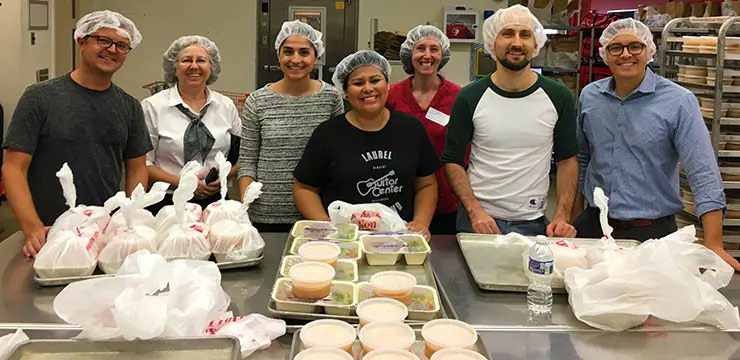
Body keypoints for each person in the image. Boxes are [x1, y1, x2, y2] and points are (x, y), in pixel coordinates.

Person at [573, 18, 740, 270]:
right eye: (615, 48)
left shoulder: (678, 101)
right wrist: (574, 217)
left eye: (635, 47)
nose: (625, 54)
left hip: (652, 234)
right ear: (604, 55)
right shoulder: (590, 96)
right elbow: (583, 159)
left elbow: (702, 170)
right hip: (594, 228)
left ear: (649, 51)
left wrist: (714, 242)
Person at [2, 10, 151, 257]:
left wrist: (127, 220)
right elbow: (13, 168)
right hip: (48, 234)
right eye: (103, 40)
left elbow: (137, 167)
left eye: (122, 45)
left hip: (103, 235)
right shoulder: (40, 97)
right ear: (81, 41)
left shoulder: (129, 106)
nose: (112, 50)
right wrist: (33, 228)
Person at [442, 5, 578, 237]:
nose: (516, 43)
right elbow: (452, 160)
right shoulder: (470, 97)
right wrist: (475, 211)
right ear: (491, 43)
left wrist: (562, 215)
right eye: (507, 34)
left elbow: (567, 160)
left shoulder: (558, 97)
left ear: (536, 44)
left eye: (525, 35)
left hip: (533, 222)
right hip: (479, 221)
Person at [293, 50, 440, 239]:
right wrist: (327, 227)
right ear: (345, 92)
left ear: (387, 85)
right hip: (346, 240)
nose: (368, 88)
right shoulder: (328, 134)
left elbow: (426, 184)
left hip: (399, 237)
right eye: (358, 83)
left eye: (375, 80)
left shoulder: (411, 129)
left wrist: (420, 222)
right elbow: (304, 188)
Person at [239, 20, 344, 232]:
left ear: (316, 57)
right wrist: (245, 208)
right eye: (288, 52)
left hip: (318, 214)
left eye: (304, 52)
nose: (295, 59)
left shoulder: (331, 97)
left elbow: (337, 157)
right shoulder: (258, 101)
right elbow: (248, 160)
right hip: (266, 214)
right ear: (278, 56)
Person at [141, 35, 240, 212]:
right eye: (186, 60)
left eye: (201, 60)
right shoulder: (152, 107)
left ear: (211, 67)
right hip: (167, 202)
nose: (194, 66)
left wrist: (225, 177)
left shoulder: (225, 106)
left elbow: (242, 156)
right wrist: (185, 184)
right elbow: (143, 164)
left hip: (216, 202)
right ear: (174, 67)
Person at [387, 25, 463, 235]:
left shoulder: (459, 98)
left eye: (434, 49)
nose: (427, 55)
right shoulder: (391, 96)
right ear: (409, 54)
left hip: (446, 199)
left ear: (443, 55)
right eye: (420, 48)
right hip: (397, 197)